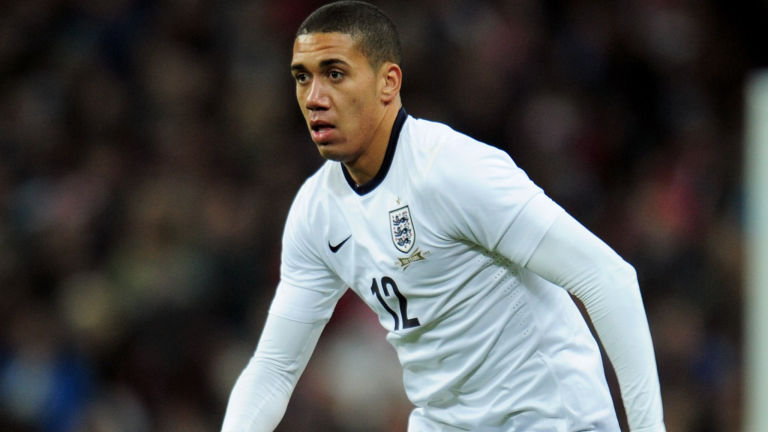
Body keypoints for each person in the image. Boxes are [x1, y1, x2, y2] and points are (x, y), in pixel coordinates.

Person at [221, 1, 666, 431]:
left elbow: (608, 278)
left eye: (334, 74)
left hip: (550, 420)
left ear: (387, 83)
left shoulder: (453, 171)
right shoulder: (316, 210)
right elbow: (274, 368)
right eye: (303, 77)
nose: (314, 97)